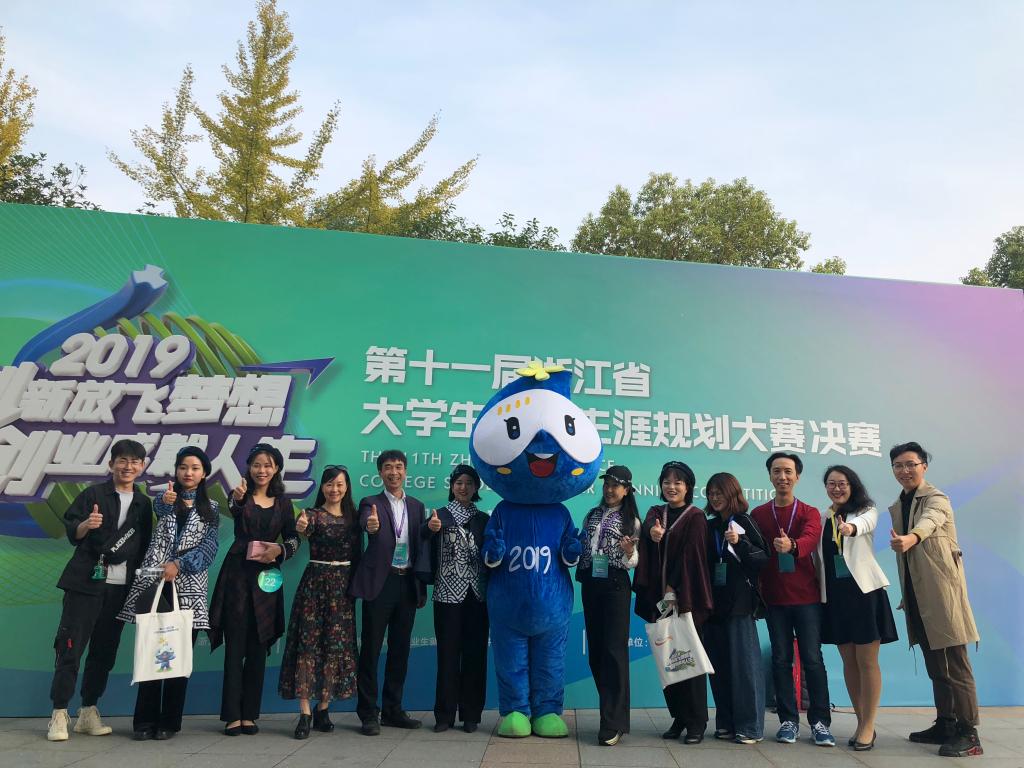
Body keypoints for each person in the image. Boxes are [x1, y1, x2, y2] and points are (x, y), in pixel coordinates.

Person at [47, 439, 154, 742]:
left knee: (104, 653)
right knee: (70, 648)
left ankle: (88, 711)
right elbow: (73, 531)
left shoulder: (143, 504)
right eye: (122, 460)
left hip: (120, 589)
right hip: (85, 584)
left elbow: (144, 547)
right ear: (111, 464)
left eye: (134, 461)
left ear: (142, 466)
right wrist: (87, 525)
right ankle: (59, 713)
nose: (128, 466)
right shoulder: (92, 494)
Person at [118, 446, 220, 741]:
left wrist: (180, 564)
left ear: (204, 474)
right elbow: (160, 512)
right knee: (150, 652)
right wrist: (164, 503)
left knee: (178, 657)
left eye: (195, 468)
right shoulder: (164, 499)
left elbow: (209, 547)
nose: (189, 473)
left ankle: (170, 722)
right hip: (155, 586)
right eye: (183, 467)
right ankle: (144, 721)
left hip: (188, 589)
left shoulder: (212, 508)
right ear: (176, 470)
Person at [888, 442, 982, 757]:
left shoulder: (936, 498)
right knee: (936, 667)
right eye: (898, 465)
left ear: (924, 466)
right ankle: (946, 723)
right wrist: (907, 593)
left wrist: (911, 537)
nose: (904, 470)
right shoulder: (898, 505)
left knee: (956, 666)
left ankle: (969, 734)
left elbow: (929, 522)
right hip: (919, 597)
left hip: (944, 596)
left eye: (911, 464)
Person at [209, 443, 300, 736]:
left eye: (268, 465)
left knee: (259, 646)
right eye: (257, 465)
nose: (262, 470)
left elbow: (293, 539)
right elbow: (234, 508)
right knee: (235, 646)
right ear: (249, 467)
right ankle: (232, 716)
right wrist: (236, 500)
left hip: (267, 579)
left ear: (277, 469)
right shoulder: (240, 495)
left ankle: (249, 714)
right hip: (237, 576)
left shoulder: (284, 503)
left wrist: (280, 550)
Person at [750, 452, 835, 747]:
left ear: (797, 476)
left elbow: (811, 539)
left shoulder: (809, 512)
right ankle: (788, 721)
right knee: (781, 659)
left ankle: (820, 722)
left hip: (806, 598)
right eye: (777, 471)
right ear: (770, 476)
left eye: (787, 471)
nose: (782, 477)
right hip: (775, 600)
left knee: (812, 659)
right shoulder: (759, 514)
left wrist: (792, 545)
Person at [816, 465, 897, 751]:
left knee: (867, 661)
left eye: (842, 483)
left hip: (864, 594)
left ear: (852, 486)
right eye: (831, 484)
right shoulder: (823, 517)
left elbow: (864, 525)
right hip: (836, 599)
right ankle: (862, 722)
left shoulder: (866, 510)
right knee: (849, 661)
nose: (836, 488)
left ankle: (869, 725)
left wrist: (849, 528)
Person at [279, 465, 362, 739]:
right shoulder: (311, 515)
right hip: (315, 586)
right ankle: (305, 713)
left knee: (335, 647)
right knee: (308, 644)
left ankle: (323, 708)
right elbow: (303, 528)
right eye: (329, 484)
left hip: (343, 589)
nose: (334, 489)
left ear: (346, 487)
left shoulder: (355, 517)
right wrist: (301, 527)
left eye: (339, 484)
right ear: (322, 487)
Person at [634, 460, 712, 745]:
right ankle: (679, 716)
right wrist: (651, 534)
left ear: (688, 486)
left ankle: (697, 722)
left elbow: (693, 556)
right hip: (660, 601)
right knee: (667, 659)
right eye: (667, 482)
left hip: (685, 598)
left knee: (688, 658)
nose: (672, 487)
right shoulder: (657, 512)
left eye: (678, 482)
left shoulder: (696, 517)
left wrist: (674, 588)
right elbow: (647, 532)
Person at [350, 449, 428, 735]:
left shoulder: (417, 506)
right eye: (387, 467)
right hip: (379, 584)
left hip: (406, 583)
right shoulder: (370, 503)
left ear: (405, 471)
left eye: (398, 467)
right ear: (380, 472)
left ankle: (393, 710)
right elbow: (365, 523)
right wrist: (370, 526)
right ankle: (368, 713)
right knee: (370, 650)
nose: (393, 472)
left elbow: (420, 545)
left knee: (400, 650)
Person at [417, 464, 490, 734]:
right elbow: (421, 539)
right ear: (451, 486)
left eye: (469, 483)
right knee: (447, 655)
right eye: (459, 483)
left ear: (476, 488)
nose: (463, 487)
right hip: (447, 594)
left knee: (475, 654)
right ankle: (444, 715)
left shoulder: (483, 519)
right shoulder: (440, 516)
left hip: (478, 595)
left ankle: (471, 715)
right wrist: (429, 529)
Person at [576, 465, 641, 747]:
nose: (610, 490)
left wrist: (630, 551)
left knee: (614, 652)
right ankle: (611, 714)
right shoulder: (591, 515)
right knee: (597, 653)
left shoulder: (631, 520)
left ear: (627, 490)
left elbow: (633, 562)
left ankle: (612, 723)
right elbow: (582, 547)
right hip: (591, 583)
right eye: (607, 484)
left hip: (616, 584)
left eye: (616, 485)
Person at [703, 472, 769, 745]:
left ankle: (750, 727)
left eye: (720, 492)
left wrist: (738, 543)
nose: (715, 497)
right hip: (713, 605)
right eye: (711, 493)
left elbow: (763, 558)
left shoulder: (743, 521)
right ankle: (727, 723)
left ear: (732, 493)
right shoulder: (709, 526)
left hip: (739, 604)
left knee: (744, 667)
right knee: (719, 668)